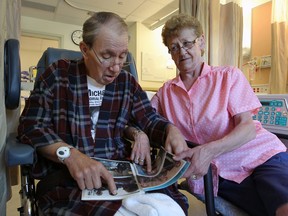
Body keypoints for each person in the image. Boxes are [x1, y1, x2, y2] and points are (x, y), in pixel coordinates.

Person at [17, 12, 189, 215]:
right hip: (69, 182)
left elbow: (149, 119)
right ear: (85, 49)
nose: (116, 67)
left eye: (122, 55)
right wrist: (70, 155)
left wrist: (171, 130)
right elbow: (30, 126)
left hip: (122, 177)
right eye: (106, 56)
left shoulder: (126, 83)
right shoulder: (58, 75)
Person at [128, 13, 288, 216]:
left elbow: (247, 129)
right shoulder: (165, 93)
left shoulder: (228, 76)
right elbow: (140, 119)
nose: (182, 52)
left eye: (187, 43)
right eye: (174, 48)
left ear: (201, 42)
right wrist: (139, 134)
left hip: (261, 157)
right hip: (218, 176)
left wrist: (208, 151)